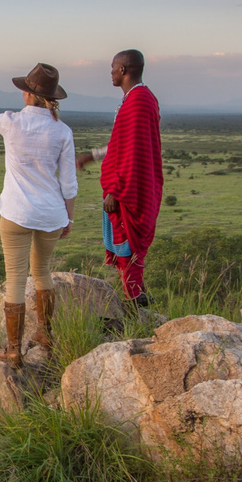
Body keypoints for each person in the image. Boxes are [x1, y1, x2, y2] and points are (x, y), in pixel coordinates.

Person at [0, 62, 76, 366]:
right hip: (51, 214)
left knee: (15, 279)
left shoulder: (11, 122)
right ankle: (44, 333)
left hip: (16, 213)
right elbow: (69, 182)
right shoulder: (62, 131)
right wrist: (69, 218)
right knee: (41, 270)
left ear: (28, 94)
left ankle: (13, 349)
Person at [76, 49, 162, 305]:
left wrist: (116, 189)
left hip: (129, 189)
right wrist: (92, 156)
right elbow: (120, 145)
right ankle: (139, 299)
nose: (110, 72)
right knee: (126, 252)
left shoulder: (137, 101)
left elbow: (132, 152)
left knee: (128, 251)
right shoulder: (136, 100)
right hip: (130, 185)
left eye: (113, 67)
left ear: (123, 70)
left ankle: (137, 308)